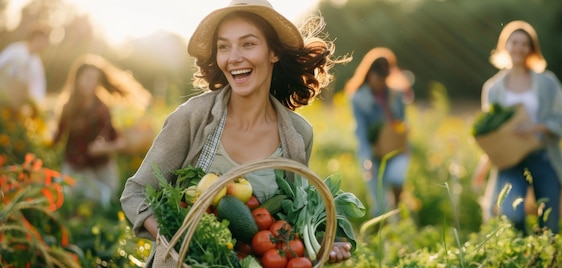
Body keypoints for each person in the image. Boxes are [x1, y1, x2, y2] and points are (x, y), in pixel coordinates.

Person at [120, 0, 352, 265]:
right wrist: (177, 240)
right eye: (224, 46)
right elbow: (135, 193)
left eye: (248, 43)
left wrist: (322, 244)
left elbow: (291, 219)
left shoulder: (298, 134)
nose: (233, 57)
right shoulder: (192, 118)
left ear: (273, 52)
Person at [474, 20, 562, 234]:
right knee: (511, 214)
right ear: (504, 46)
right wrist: (484, 164)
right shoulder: (492, 88)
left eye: (525, 44)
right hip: (510, 161)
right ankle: (525, 257)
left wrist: (538, 127)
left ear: (532, 49)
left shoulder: (547, 83)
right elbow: (492, 135)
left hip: (544, 157)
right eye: (514, 42)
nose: (519, 48)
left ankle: (547, 259)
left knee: (549, 224)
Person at [52, 54, 151, 208]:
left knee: (108, 195)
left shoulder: (101, 109)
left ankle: (85, 189)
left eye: (94, 79)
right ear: (77, 79)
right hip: (76, 164)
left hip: (100, 164)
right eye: (86, 78)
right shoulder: (67, 107)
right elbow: (56, 137)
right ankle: (73, 185)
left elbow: (116, 140)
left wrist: (105, 148)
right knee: (82, 193)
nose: (90, 83)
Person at [345, 47, 413, 218]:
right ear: (369, 74)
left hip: (396, 147)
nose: (381, 82)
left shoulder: (394, 94)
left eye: (385, 78)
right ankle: (381, 232)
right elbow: (360, 130)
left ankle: (398, 213)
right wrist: (367, 158)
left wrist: (402, 138)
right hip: (372, 150)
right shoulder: (359, 98)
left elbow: (403, 121)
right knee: (379, 201)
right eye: (378, 78)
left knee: (397, 177)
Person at [0, 28, 49, 115]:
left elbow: (39, 86)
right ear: (35, 38)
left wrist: (37, 105)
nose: (44, 45)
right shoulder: (15, 50)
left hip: (18, 102)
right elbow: (1, 61)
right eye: (42, 41)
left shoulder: (37, 63)